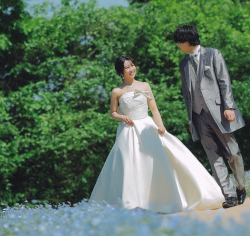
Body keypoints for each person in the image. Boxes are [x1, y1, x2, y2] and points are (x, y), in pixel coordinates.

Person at [90, 55, 224, 213]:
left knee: (158, 160)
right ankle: (134, 203)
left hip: (147, 126)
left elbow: (153, 108)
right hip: (129, 131)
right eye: (127, 67)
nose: (132, 69)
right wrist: (122, 117)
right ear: (121, 71)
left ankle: (166, 199)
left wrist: (160, 125)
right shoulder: (117, 91)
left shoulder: (145, 85)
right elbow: (112, 113)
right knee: (130, 165)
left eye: (133, 65)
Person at [173, 24, 246, 208]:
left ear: (187, 41)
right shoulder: (183, 64)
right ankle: (229, 195)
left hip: (220, 112)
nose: (177, 46)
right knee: (213, 157)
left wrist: (228, 106)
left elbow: (224, 81)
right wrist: (191, 119)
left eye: (179, 43)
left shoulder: (213, 54)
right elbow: (187, 94)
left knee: (233, 152)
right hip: (198, 116)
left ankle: (240, 187)